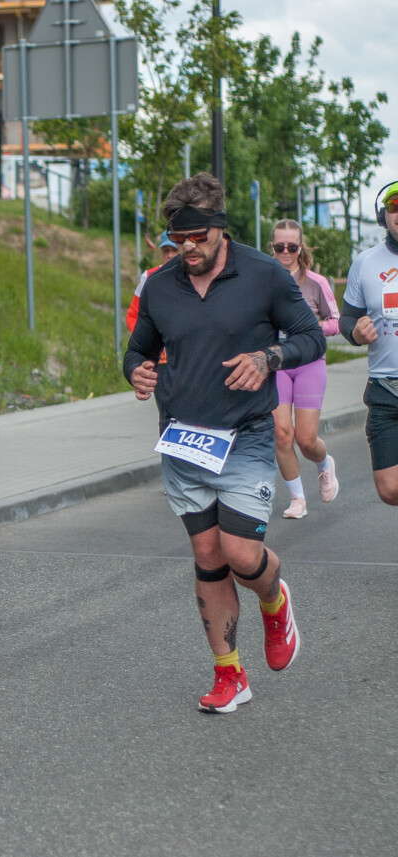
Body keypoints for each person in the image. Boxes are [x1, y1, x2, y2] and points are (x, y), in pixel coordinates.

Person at [123, 172, 325, 715]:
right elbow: (137, 348)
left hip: (248, 436)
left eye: (196, 238)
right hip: (184, 441)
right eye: (177, 239)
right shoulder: (161, 284)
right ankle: (230, 674)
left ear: (220, 229)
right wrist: (137, 373)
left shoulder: (263, 274)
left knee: (240, 553)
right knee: (207, 555)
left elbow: (308, 335)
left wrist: (269, 359)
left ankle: (275, 600)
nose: (186, 248)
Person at [268, 219, 341, 518]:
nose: (285, 252)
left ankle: (325, 465)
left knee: (305, 439)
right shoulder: (264, 280)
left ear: (301, 248)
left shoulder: (316, 282)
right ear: (272, 247)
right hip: (278, 365)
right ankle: (298, 498)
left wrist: (310, 329)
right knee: (282, 434)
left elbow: (336, 322)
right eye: (279, 246)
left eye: (292, 247)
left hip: (310, 363)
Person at [339, 179, 398, 506]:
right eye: (394, 206)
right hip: (384, 390)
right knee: (389, 490)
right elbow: (348, 319)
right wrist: (356, 333)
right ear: (384, 215)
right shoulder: (365, 262)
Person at [126, 232, 179, 335]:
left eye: (174, 250)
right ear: (161, 252)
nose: (170, 255)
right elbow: (132, 315)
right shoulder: (148, 276)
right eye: (166, 251)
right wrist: (146, 341)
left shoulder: (193, 277)